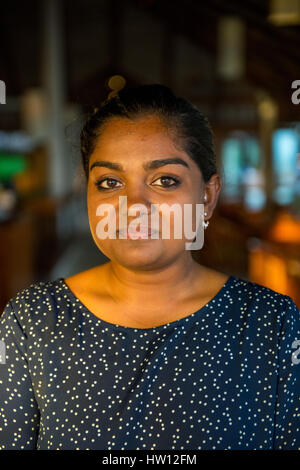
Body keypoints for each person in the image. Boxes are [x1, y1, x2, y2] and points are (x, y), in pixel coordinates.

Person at [0, 84, 299, 450]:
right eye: (110, 182)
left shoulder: (271, 324)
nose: (133, 205)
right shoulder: (33, 321)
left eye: (164, 180)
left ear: (207, 196)